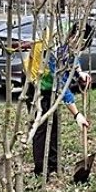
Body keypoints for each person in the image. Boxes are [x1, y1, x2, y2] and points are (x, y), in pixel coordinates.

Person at [24, 23, 91, 178]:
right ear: (74, 36)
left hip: (48, 84)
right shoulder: (52, 47)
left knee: (52, 123)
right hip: (34, 83)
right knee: (40, 127)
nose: (79, 48)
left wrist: (80, 73)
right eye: (80, 44)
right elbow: (61, 83)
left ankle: (53, 165)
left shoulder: (67, 36)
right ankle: (41, 171)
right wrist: (77, 115)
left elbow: (72, 56)